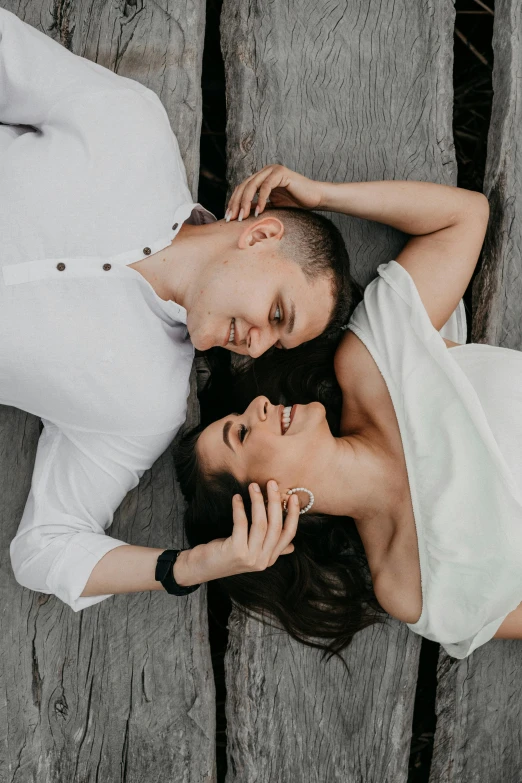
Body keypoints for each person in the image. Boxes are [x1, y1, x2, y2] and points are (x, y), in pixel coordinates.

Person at [1, 9, 354, 610]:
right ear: (262, 235)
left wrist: (190, 566)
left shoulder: (143, 407)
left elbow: (47, 549)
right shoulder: (131, 130)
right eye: (277, 314)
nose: (257, 346)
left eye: (275, 345)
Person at [177, 166, 522, 661]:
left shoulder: (371, 364)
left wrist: (323, 195)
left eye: (239, 415)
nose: (256, 407)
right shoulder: (412, 586)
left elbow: (463, 218)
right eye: (241, 434)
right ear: (274, 509)